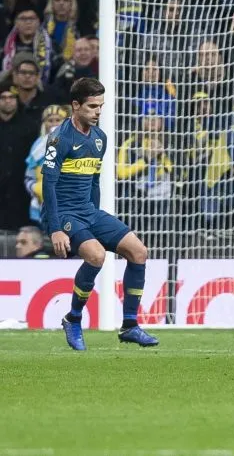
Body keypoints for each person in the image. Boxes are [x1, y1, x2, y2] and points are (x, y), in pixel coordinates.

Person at [42, 78, 159, 350]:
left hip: (88, 211)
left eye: (101, 106)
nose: (98, 111)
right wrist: (56, 227)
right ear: (75, 105)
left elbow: (94, 181)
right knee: (96, 255)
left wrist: (95, 215)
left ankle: (130, 325)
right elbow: (48, 184)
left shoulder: (99, 138)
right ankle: (73, 319)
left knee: (138, 251)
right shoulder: (59, 139)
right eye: (92, 106)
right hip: (66, 213)